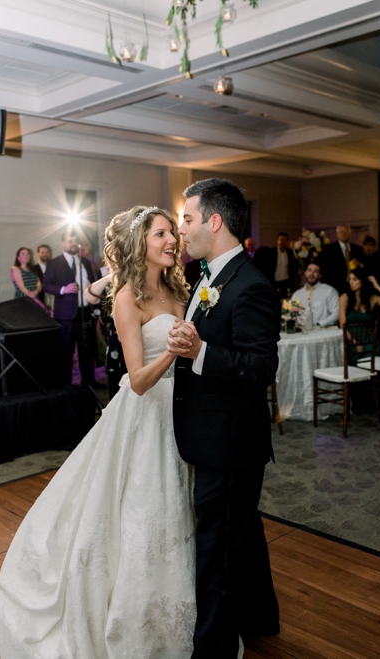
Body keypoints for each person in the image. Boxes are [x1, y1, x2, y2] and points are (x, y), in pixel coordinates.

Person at [0, 206, 197, 658]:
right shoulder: (127, 296)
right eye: (161, 233)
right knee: (141, 512)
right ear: (139, 244)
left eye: (172, 232)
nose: (172, 240)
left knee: (179, 509)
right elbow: (136, 380)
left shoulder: (176, 288)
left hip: (181, 413)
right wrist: (174, 352)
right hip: (145, 417)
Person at [167, 178, 281, 657]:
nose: (181, 229)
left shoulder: (251, 285)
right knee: (242, 530)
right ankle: (261, 615)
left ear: (214, 221)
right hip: (211, 433)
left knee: (217, 550)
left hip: (230, 441)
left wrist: (201, 352)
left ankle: (211, 650)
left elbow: (260, 368)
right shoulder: (207, 277)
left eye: (187, 218)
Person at [42, 231, 103, 388]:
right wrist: (63, 289)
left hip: (86, 313)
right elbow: (46, 285)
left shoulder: (86, 262)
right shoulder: (54, 263)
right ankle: (66, 385)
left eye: (75, 240)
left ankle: (88, 382)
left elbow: (92, 282)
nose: (73, 243)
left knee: (87, 350)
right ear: (63, 243)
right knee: (66, 351)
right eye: (70, 241)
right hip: (66, 315)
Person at [338, 267, 380, 364]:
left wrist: (378, 287)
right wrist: (354, 342)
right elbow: (342, 325)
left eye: (355, 279)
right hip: (350, 339)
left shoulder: (372, 298)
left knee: (375, 361)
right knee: (357, 362)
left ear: (362, 281)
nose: (351, 282)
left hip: (368, 339)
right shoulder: (345, 297)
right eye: (350, 279)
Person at [291, 261, 339, 328]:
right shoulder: (297, 294)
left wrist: (320, 324)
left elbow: (337, 313)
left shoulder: (329, 291)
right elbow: (292, 315)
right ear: (305, 273)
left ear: (320, 275)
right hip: (302, 331)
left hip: (324, 330)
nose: (312, 274)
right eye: (309, 270)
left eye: (315, 271)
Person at [320, 224, 364, 294]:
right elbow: (324, 269)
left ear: (350, 233)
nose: (344, 234)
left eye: (346, 231)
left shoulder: (358, 249)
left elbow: (366, 267)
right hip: (335, 286)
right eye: (341, 232)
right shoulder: (328, 249)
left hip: (355, 286)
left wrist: (360, 264)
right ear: (337, 234)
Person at [258, 232, 300, 298]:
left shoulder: (290, 252)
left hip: (285, 280)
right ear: (277, 241)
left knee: (284, 298)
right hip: (274, 280)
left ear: (287, 241)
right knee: (273, 298)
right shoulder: (271, 252)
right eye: (281, 240)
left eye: (284, 240)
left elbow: (293, 265)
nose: (282, 242)